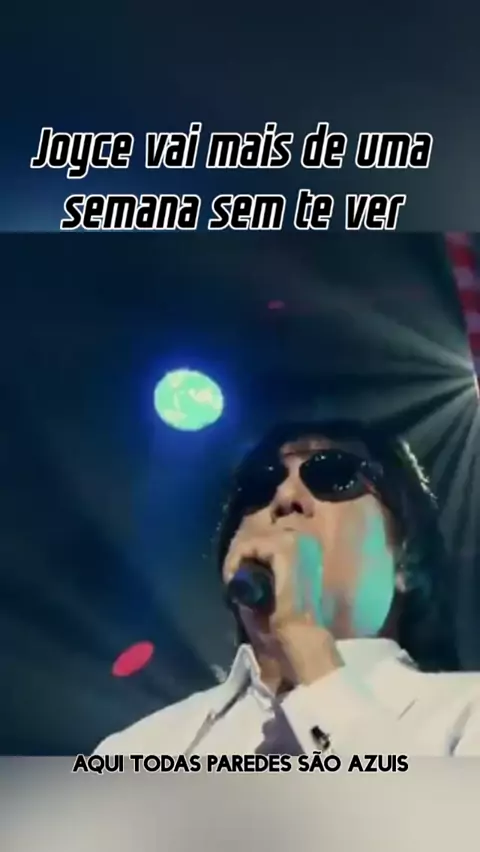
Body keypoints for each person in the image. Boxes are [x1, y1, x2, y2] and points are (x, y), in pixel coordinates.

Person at [95, 420, 480, 757]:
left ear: (406, 562)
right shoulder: (137, 748)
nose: (285, 497)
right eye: (259, 486)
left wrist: (304, 642)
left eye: (332, 475)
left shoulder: (465, 711)